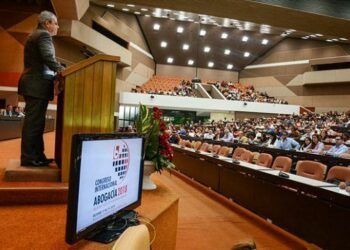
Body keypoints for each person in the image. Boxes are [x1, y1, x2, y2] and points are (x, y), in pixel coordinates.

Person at [18, 11, 64, 167]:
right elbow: (48, 58)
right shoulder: (43, 36)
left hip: (34, 84)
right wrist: (61, 70)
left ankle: (38, 156)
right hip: (36, 85)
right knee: (34, 123)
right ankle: (29, 158)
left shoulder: (35, 35)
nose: (57, 26)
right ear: (47, 24)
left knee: (37, 123)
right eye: (55, 23)